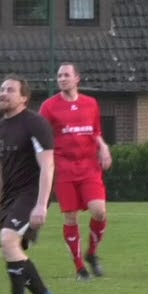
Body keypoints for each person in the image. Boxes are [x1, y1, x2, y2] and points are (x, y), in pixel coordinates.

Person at [0, 76, 63, 294]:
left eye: (10, 90)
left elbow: (48, 166)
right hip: (10, 198)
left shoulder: (35, 124)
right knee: (10, 249)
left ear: (24, 97)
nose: (3, 93)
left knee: (9, 241)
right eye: (1, 89)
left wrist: (42, 205)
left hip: (31, 194)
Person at [38, 63, 112, 280]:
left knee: (99, 211)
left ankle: (92, 253)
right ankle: (80, 268)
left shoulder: (91, 104)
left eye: (66, 75)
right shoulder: (49, 107)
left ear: (77, 78)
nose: (62, 79)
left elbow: (95, 131)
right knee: (71, 218)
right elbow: (41, 136)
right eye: (59, 75)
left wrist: (103, 147)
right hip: (64, 168)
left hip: (89, 166)